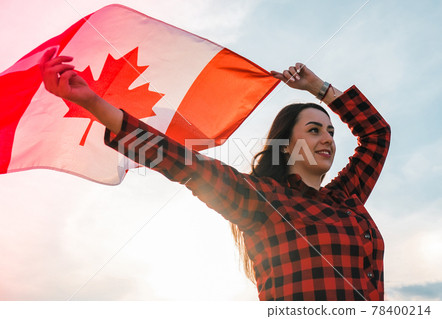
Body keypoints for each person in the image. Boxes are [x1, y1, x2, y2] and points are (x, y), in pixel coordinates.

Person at [40, 48, 391, 301]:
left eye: (330, 132)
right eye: (314, 130)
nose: (328, 138)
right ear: (286, 145)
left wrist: (319, 88)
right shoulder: (262, 199)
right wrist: (94, 104)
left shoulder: (347, 197)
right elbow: (182, 162)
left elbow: (376, 134)